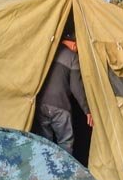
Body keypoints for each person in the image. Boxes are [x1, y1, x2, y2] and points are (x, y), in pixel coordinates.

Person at [32, 27, 91, 155]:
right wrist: (87, 110)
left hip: (40, 104)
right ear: (75, 44)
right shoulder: (72, 57)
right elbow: (76, 88)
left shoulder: (47, 51)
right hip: (60, 106)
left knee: (44, 143)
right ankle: (65, 168)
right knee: (65, 143)